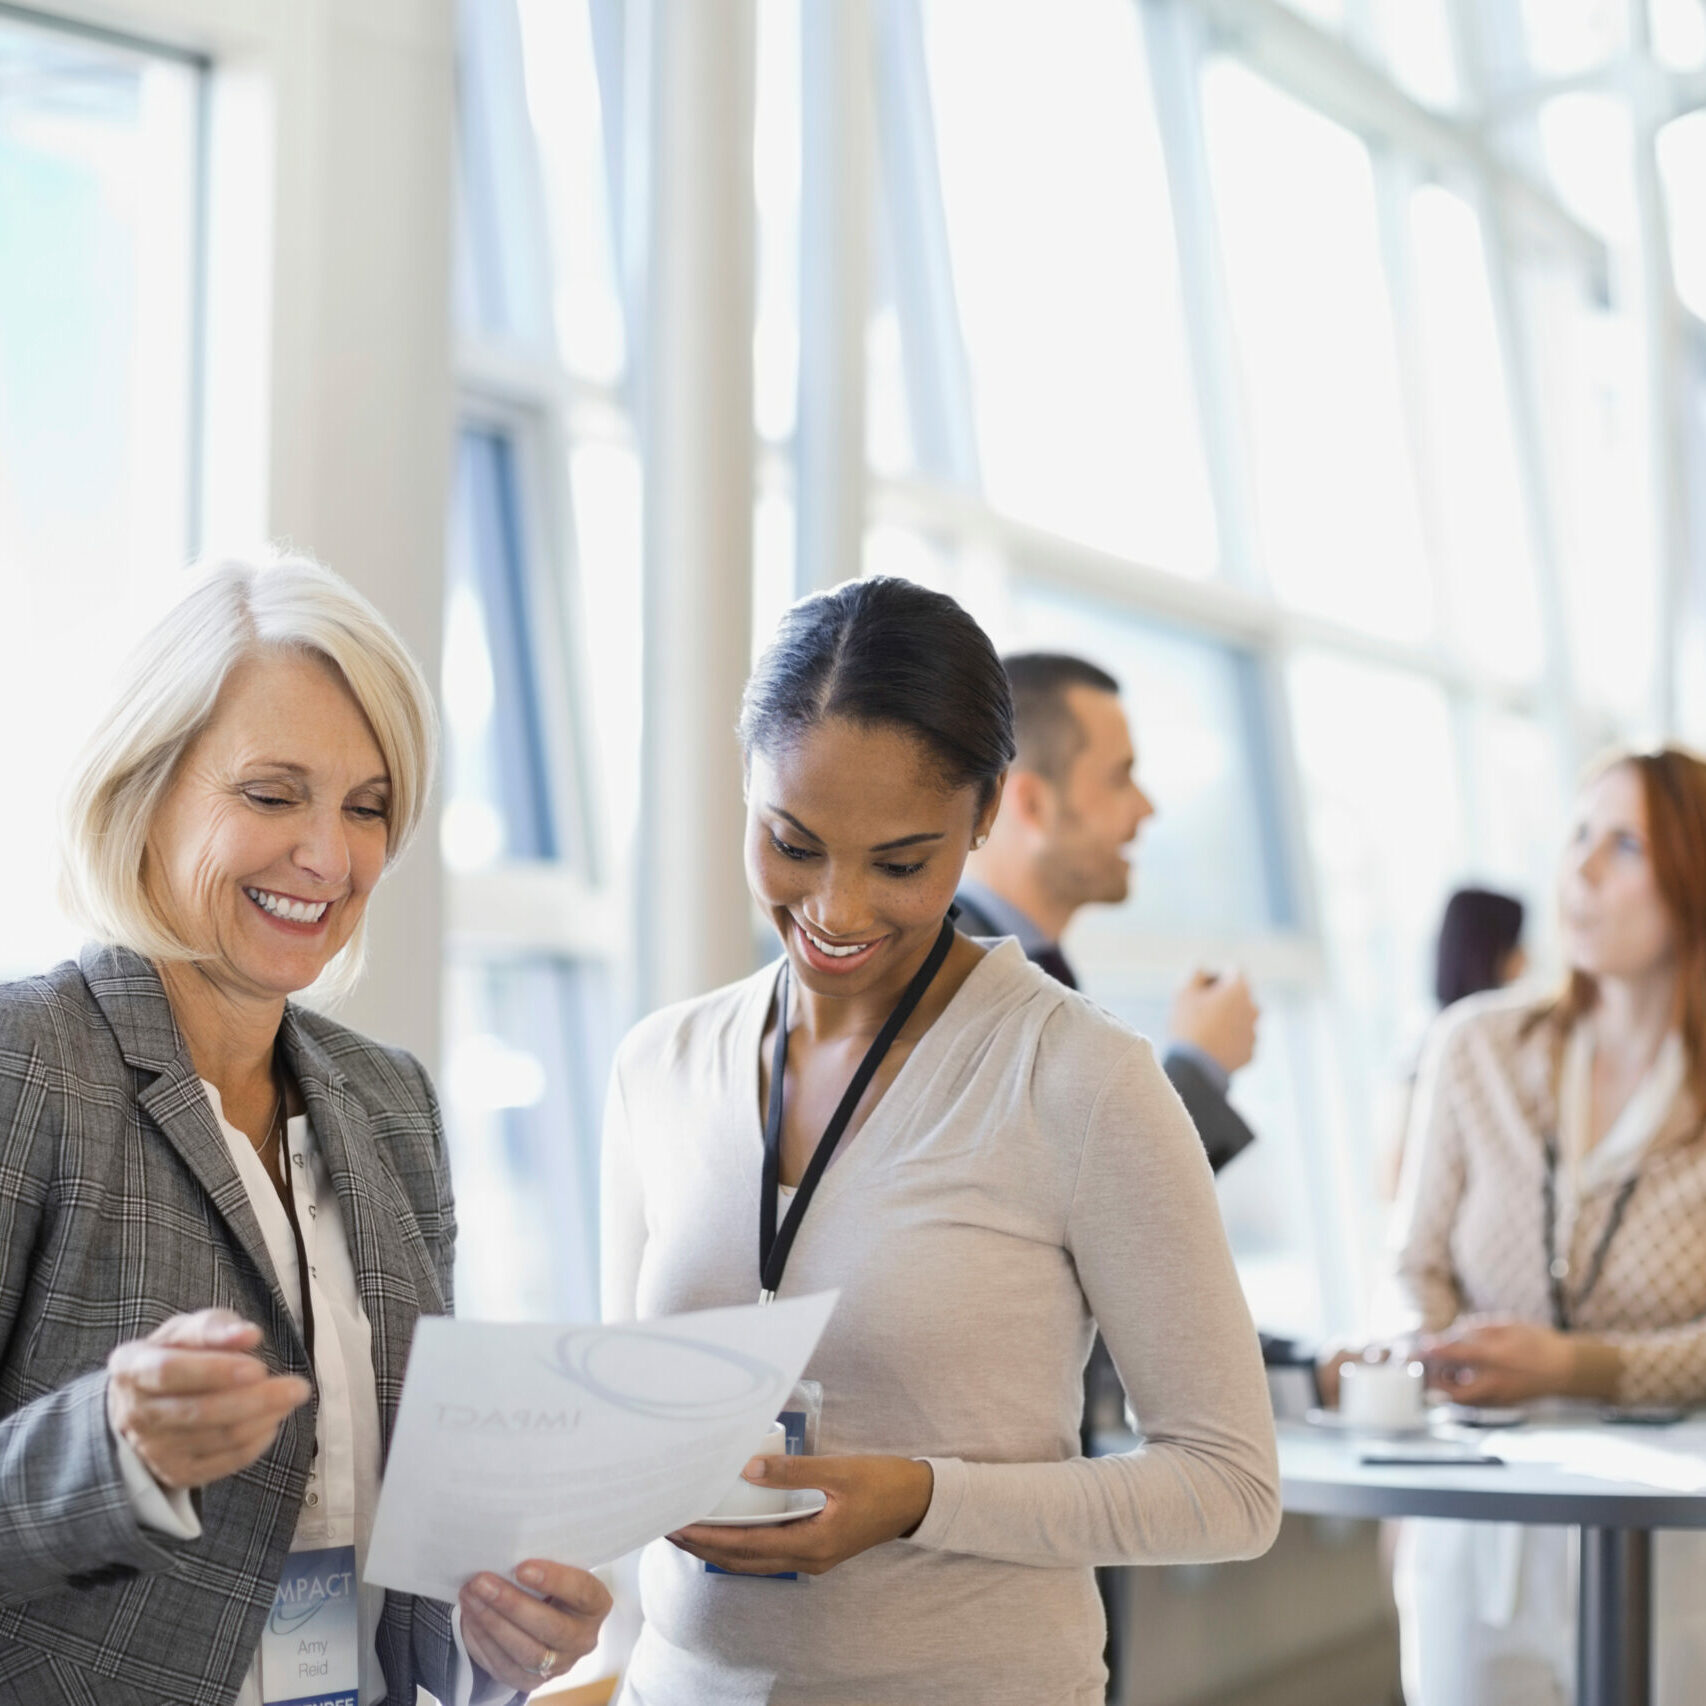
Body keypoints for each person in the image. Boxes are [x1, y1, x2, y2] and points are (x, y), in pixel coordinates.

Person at [600, 578, 1280, 1706]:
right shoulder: (658, 1065)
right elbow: (623, 1422)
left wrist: (919, 1496)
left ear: (984, 815)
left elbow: (1229, 1488)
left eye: (900, 861)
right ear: (746, 788)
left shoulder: (1080, 1078)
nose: (837, 906)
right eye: (792, 842)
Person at [0, 556, 610, 1705]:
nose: (328, 857)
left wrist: (498, 1633)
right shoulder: (27, 1062)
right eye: (273, 794)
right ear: (145, 789)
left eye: (366, 805)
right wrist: (112, 1447)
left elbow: (414, 1518)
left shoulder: (391, 1105)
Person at [1385, 745, 1706, 1706]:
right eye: (1577, 836)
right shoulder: (1477, 1044)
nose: (1581, 869)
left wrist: (1577, 1367)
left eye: (1624, 846)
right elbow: (1414, 1262)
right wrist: (1432, 1351)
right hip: (1480, 1521)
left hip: (1677, 1537)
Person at [952, 652, 1259, 1175]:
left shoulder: (1028, 970)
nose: (1147, 808)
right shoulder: (955, 987)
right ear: (1031, 806)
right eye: (1120, 778)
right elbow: (1072, 1201)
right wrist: (1197, 1069)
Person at [1377, 885, 1528, 1201]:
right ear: (1493, 951)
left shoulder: (1507, 1041)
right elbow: (1396, 1180)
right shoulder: (1439, 1049)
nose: (1527, 958)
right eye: (1518, 944)